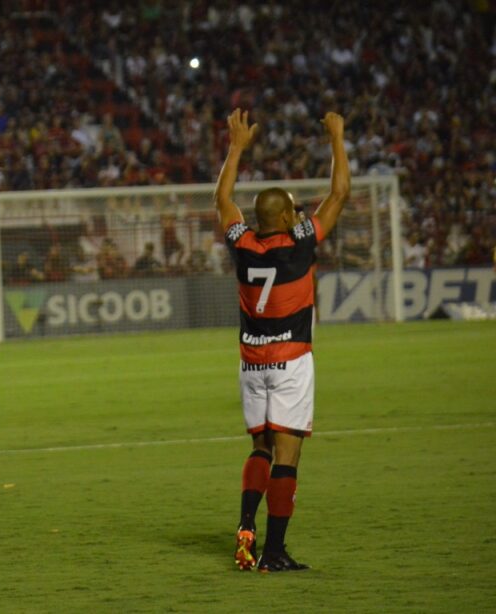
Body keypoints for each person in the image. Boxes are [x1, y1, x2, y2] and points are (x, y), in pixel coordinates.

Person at [215, 109, 349, 573]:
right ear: (288, 215)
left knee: (260, 449)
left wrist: (236, 147)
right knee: (288, 455)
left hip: (251, 363)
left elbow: (223, 198)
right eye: (294, 209)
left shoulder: (241, 243)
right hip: (291, 361)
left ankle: (245, 528)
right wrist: (336, 138)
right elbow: (339, 193)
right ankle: (273, 551)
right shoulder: (302, 242)